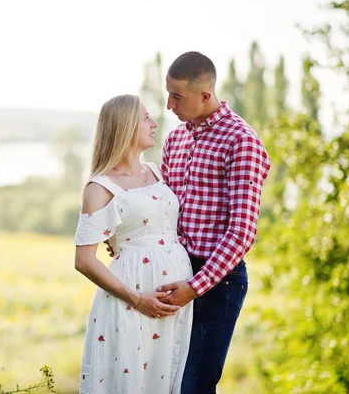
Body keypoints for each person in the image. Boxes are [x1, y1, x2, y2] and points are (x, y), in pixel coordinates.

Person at [156, 51, 271, 393]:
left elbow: (242, 232)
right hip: (173, 272)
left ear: (206, 95)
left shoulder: (241, 141)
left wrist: (195, 286)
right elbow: (164, 211)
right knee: (164, 380)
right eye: (168, 93)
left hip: (217, 281)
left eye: (177, 97)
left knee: (193, 386)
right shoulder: (174, 140)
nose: (168, 106)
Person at [74, 94, 194, 393]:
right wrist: (137, 298)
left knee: (169, 373)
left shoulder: (156, 171)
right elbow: (84, 260)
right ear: (126, 126)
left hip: (175, 298)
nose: (154, 124)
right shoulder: (100, 187)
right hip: (134, 296)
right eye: (145, 118)